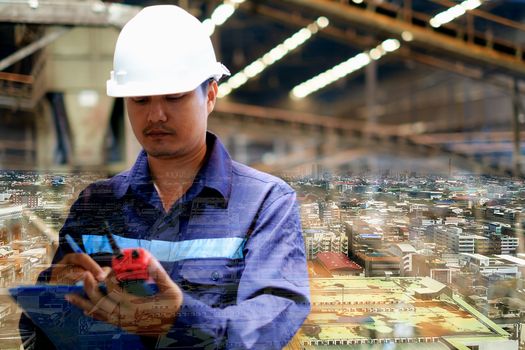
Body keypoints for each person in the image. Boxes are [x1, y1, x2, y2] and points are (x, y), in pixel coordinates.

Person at [19, 4, 310, 349]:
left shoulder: (265, 204)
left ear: (211, 95)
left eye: (174, 97)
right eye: (140, 99)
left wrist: (181, 320)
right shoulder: (95, 206)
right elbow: (40, 335)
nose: (156, 114)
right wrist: (57, 298)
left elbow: (269, 325)